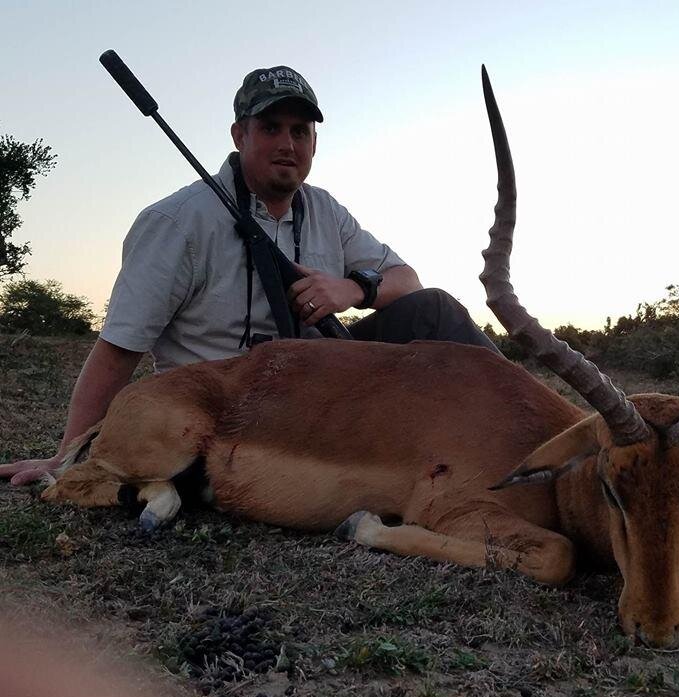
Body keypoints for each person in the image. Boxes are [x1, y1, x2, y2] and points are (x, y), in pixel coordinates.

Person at [1, 64, 498, 487]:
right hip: (231, 409)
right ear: (240, 135)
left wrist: (350, 288)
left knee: (434, 309)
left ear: (314, 143)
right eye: (271, 127)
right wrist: (66, 457)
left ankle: (536, 435)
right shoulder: (177, 222)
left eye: (300, 131)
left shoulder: (325, 210)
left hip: (325, 387)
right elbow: (119, 348)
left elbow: (405, 279)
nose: (288, 144)